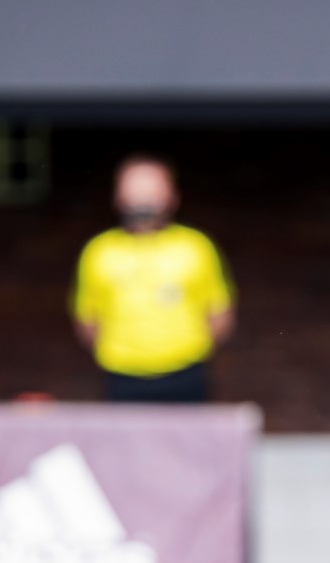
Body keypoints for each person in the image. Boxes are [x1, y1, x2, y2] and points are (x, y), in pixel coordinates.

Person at [71, 156, 235, 402]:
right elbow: (87, 319)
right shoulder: (98, 250)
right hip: (121, 377)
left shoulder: (196, 246)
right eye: (135, 192)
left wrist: (187, 352)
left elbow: (219, 313)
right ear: (118, 197)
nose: (143, 202)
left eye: (151, 192)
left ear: (172, 197)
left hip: (186, 374)